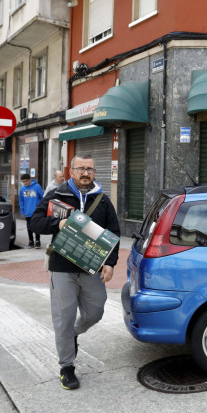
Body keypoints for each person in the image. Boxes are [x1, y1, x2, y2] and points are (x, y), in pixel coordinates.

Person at [29, 155, 120, 390]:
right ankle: (67, 366)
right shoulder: (57, 195)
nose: (85, 173)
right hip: (62, 268)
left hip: (91, 268)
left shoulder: (102, 200)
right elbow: (34, 223)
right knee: (63, 319)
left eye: (90, 169)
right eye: (81, 168)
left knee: (96, 312)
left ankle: (74, 334)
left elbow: (113, 232)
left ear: (94, 172)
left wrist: (110, 262)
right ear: (72, 171)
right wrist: (56, 225)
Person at [18, 173, 43, 248]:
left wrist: (41, 209)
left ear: (30, 180)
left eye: (26, 181)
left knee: (37, 226)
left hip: (36, 211)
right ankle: (31, 241)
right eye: (23, 181)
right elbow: (21, 201)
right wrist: (22, 212)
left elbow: (42, 197)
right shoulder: (22, 189)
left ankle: (38, 241)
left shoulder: (37, 187)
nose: (25, 183)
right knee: (29, 227)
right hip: (27, 212)